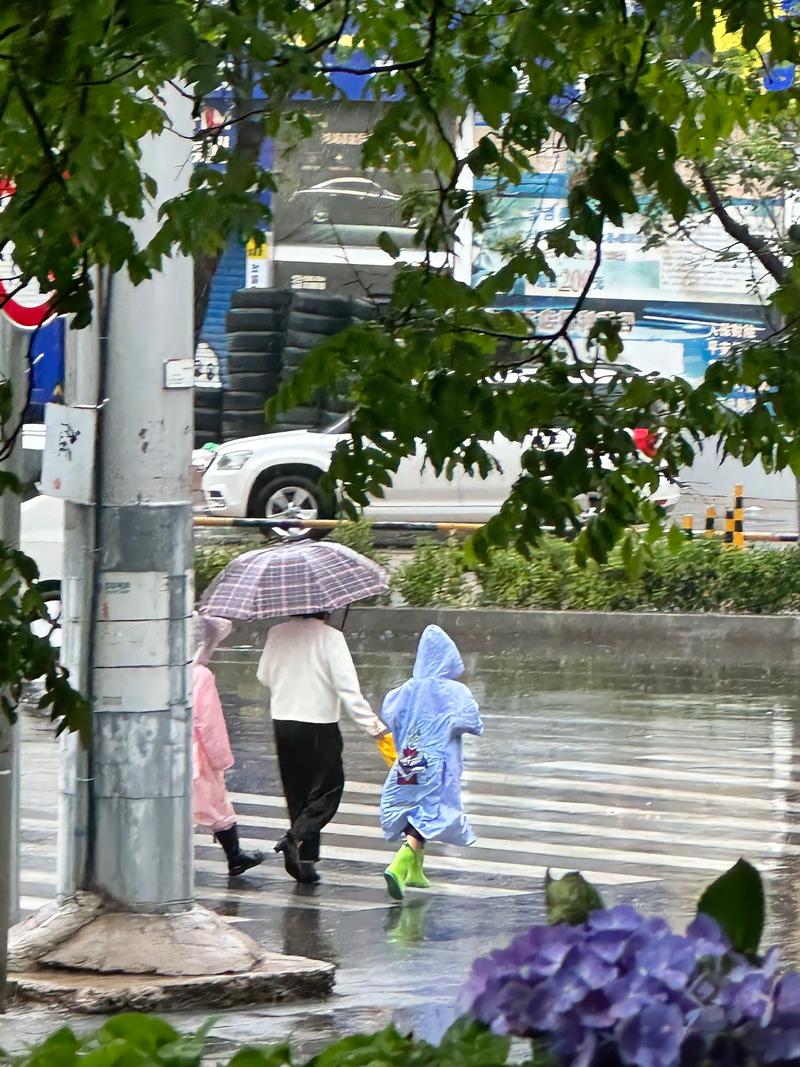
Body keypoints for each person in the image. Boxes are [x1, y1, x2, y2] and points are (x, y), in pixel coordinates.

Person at [257, 612, 387, 884]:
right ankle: (294, 840)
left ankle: (305, 860)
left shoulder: (277, 632)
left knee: (298, 792)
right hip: (319, 724)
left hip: (284, 721)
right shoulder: (331, 638)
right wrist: (375, 727)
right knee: (328, 790)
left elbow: (264, 676)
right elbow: (347, 689)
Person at [379, 625, 483, 900]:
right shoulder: (454, 692)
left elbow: (389, 712)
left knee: (413, 806)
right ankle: (400, 863)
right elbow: (472, 722)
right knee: (431, 811)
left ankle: (416, 871)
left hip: (409, 759)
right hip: (439, 764)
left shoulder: (405, 689)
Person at [192, 613, 265, 877]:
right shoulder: (200, 675)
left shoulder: (163, 669)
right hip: (195, 754)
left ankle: (235, 856)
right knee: (215, 804)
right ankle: (234, 856)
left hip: (165, 752)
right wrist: (221, 758)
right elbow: (208, 722)